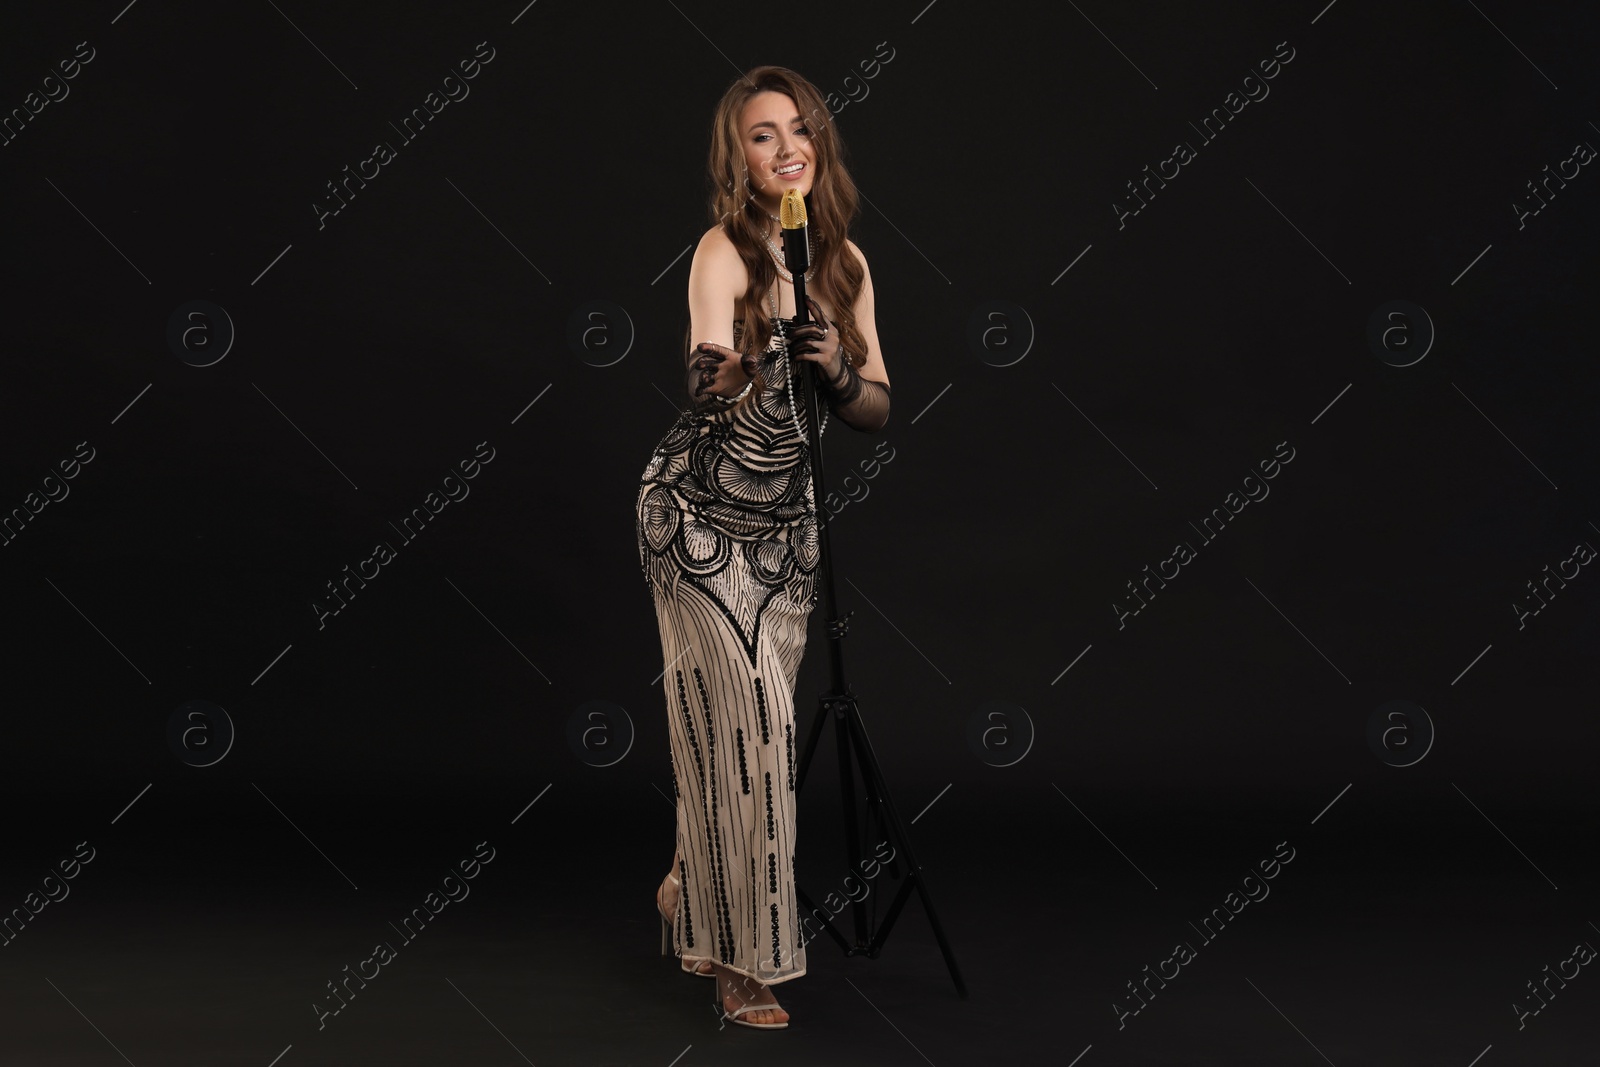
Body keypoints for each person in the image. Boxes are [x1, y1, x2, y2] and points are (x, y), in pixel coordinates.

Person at [635, 64, 891, 1030]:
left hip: (786, 533)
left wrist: (837, 365)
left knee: (755, 740)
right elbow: (704, 380)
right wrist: (762, 337)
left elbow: (876, 408)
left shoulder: (852, 263)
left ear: (818, 148)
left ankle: (690, 888)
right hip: (696, 518)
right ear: (737, 160)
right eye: (761, 134)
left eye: (801, 130)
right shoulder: (724, 251)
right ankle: (745, 965)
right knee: (743, 729)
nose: (787, 147)